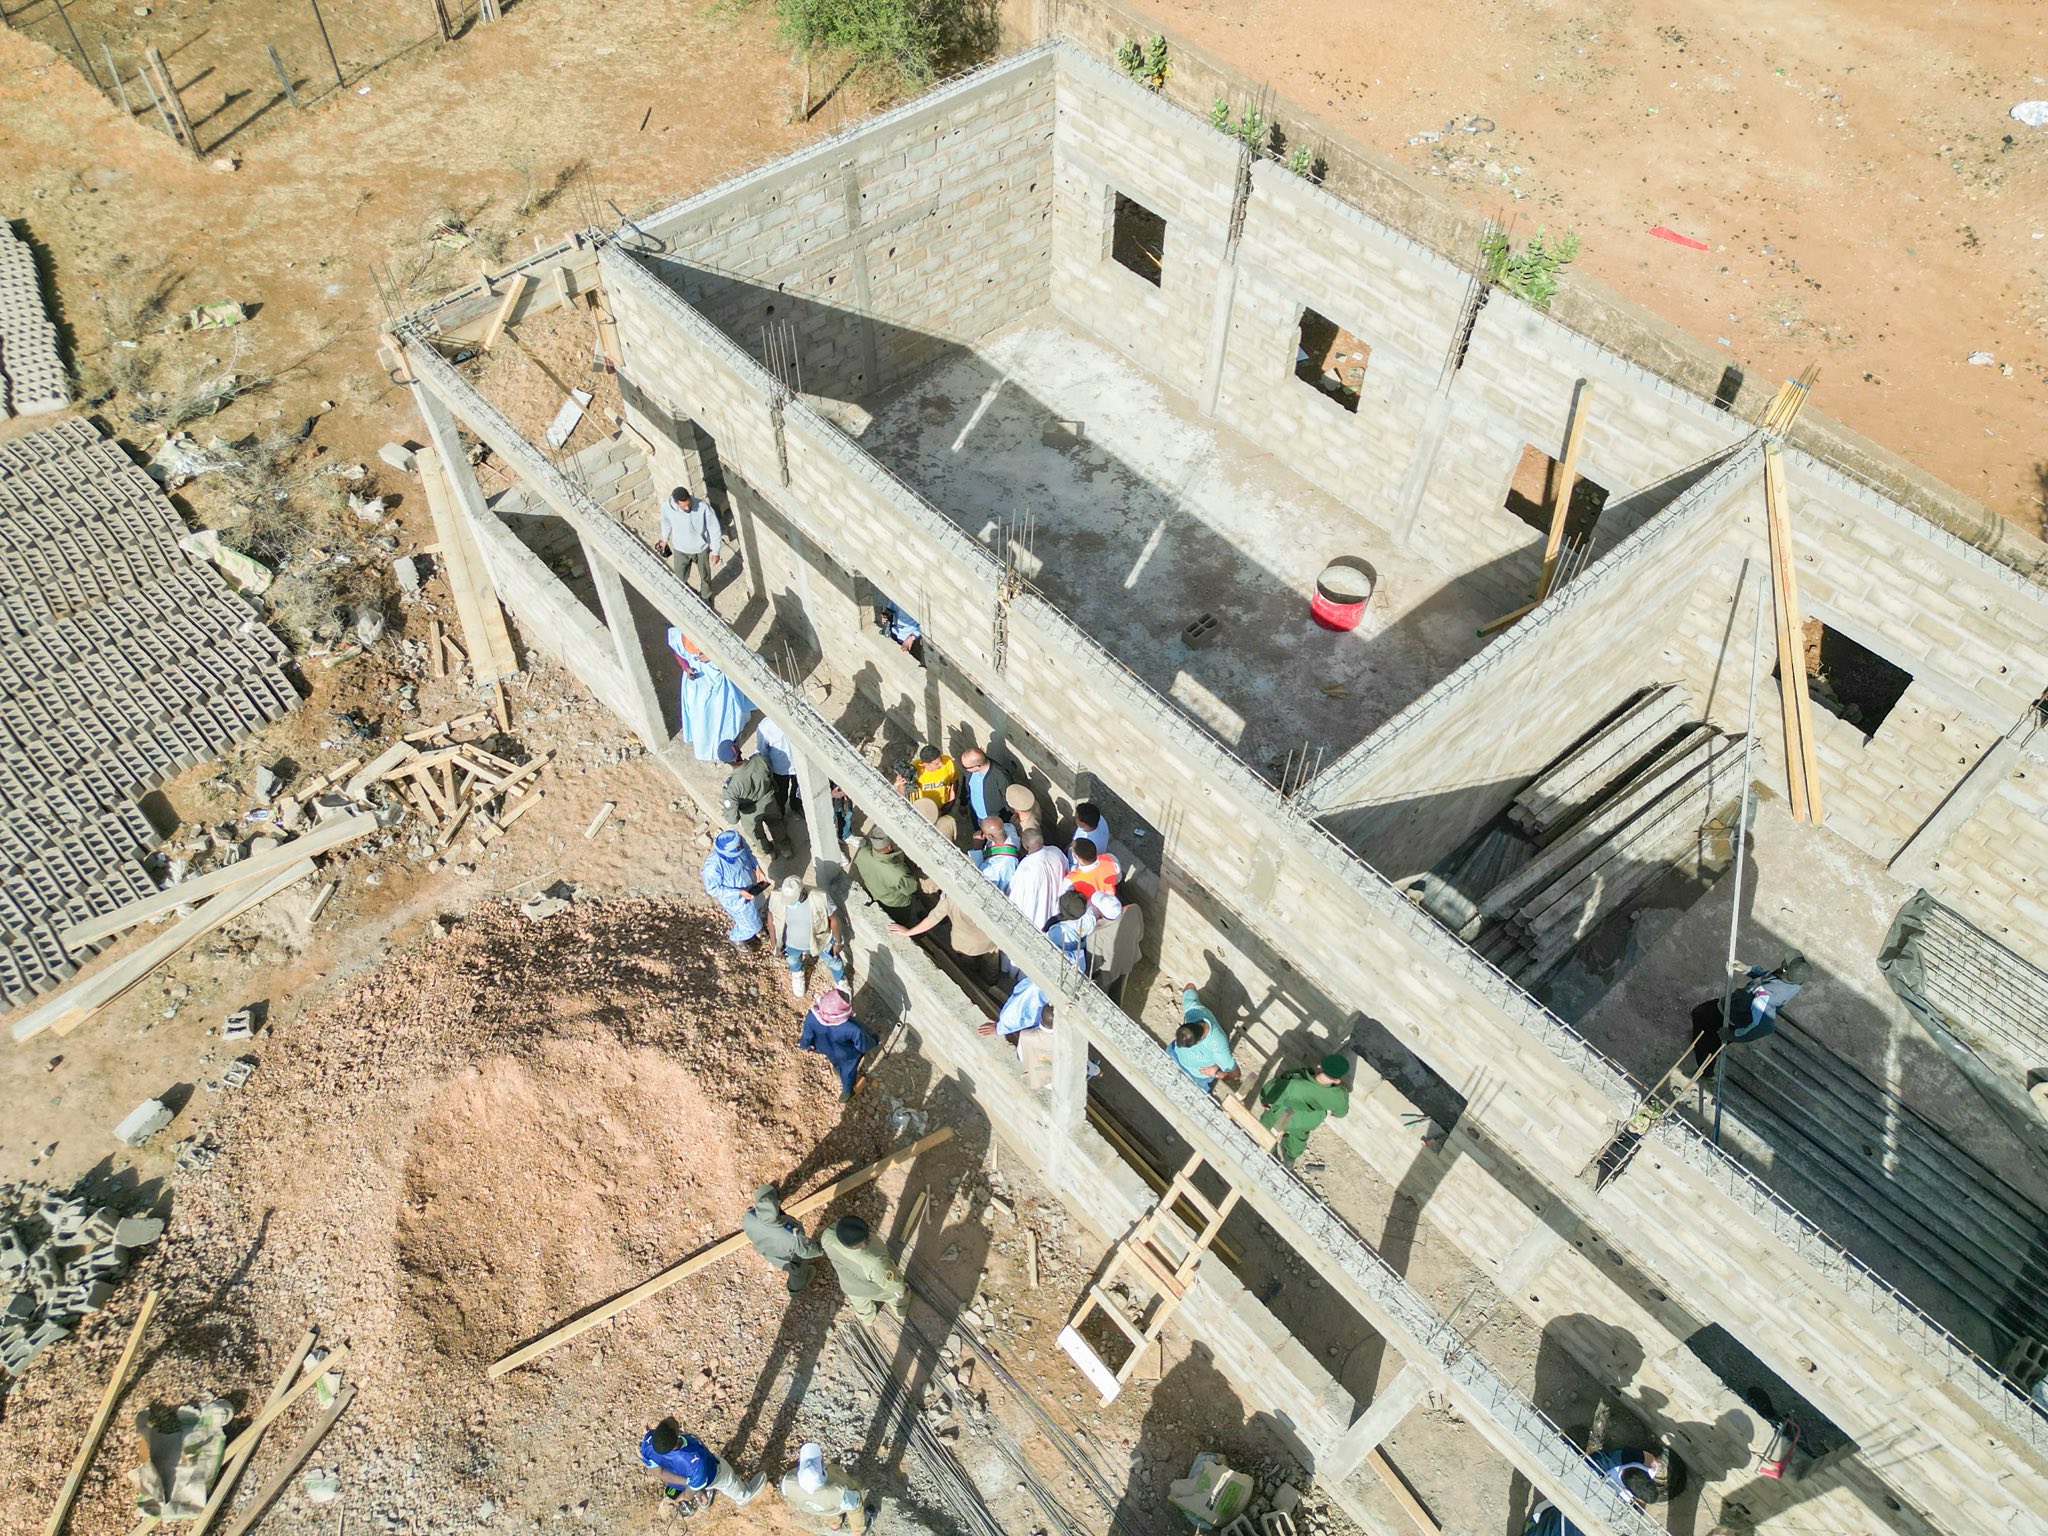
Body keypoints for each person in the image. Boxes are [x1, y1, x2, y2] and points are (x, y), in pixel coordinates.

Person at [1685, 952, 1810, 1071]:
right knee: (1705, 1027)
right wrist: (1747, 969)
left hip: (1729, 1018)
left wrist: (1733, 1034)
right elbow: (1767, 976)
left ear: (1785, 970)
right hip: (1734, 1005)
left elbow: (1764, 1027)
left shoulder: (1766, 995)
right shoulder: (1792, 981)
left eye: (1785, 962)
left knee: (1701, 1024)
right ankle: (1703, 1040)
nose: (1783, 961)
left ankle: (1706, 1072)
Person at [1522, 1446, 1680, 1536]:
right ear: (1634, 1497)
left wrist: (1650, 1462)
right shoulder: (1622, 1515)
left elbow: (1646, 1457)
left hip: (1549, 1522)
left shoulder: (1598, 1467)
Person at [669, 627, 753, 762]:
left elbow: (732, 653)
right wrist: (686, 667)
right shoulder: (681, 637)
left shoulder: (715, 637)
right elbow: (678, 654)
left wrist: (714, 656)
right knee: (701, 716)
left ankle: (729, 744)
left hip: (720, 689)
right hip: (698, 686)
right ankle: (711, 749)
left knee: (726, 714)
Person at [639, 1418, 763, 1510]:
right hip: (711, 1473)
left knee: (696, 1484)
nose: (671, 1418)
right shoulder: (694, 1459)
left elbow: (658, 1472)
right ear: (675, 1436)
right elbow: (689, 1491)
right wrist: (685, 1496)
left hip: (680, 1479)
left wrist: (687, 1482)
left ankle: (703, 1498)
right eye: (672, 1423)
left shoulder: (648, 1441)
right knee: (727, 1480)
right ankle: (744, 1497)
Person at [1258, 1053, 1351, 1164]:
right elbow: (1341, 1113)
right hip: (1307, 1121)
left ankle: (1270, 1154)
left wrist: (1265, 1101)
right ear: (1337, 1081)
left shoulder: (1293, 1081)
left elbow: (1268, 1093)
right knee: (1299, 1139)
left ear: (1319, 1066)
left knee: (1266, 1127)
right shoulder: (1339, 1095)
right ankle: (1290, 1159)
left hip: (1280, 1114)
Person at [891, 892, 999, 984]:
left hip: (965, 944)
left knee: (968, 961)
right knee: (992, 960)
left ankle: (972, 972)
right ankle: (991, 980)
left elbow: (933, 919)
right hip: (990, 940)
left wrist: (908, 932)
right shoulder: (989, 894)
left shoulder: (951, 898)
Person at [822, 1213, 908, 1320]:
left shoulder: (827, 1236)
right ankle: (901, 1311)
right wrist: (900, 1290)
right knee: (896, 1297)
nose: (869, 1238)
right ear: (858, 1246)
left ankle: (867, 1319)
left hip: (848, 1286)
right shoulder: (875, 1260)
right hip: (872, 1289)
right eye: (866, 1239)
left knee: (861, 1306)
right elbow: (891, 1284)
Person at [741, 1183, 822, 1294]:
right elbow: (806, 1251)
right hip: (787, 1257)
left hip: (765, 1250)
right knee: (797, 1270)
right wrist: (820, 1248)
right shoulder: (792, 1236)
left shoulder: (749, 1217)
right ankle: (795, 1288)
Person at [773, 876, 847, 997]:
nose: (789, 903)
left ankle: (840, 980)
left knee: (834, 962)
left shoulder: (820, 897)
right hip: (791, 943)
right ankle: (797, 973)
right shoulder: (777, 896)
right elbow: (771, 915)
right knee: (792, 960)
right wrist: (774, 942)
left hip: (820, 940)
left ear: (802, 892)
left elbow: (834, 919)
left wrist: (838, 942)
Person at [799, 987, 876, 1100]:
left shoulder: (812, 1016)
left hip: (823, 1047)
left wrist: (804, 1045)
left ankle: (837, 1069)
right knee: (848, 1071)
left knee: (834, 1059)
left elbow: (807, 1035)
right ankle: (847, 1091)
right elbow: (862, 1045)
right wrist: (874, 1041)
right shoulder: (852, 1028)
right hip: (845, 1054)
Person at [780, 1442, 870, 1533]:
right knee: (856, 1506)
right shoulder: (836, 1492)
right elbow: (853, 1503)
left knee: (825, 1513)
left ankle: (835, 1524)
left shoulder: (788, 1482)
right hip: (834, 1506)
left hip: (816, 1509)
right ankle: (857, 1531)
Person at [1170, 983, 1240, 1093]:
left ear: (1198, 1041)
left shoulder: (1217, 1045)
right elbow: (1190, 986)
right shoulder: (1192, 1012)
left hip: (1197, 1076)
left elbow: (1235, 1075)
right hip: (1173, 1054)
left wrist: (1216, 1073)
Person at [701, 829, 767, 944]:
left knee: (758, 908)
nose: (741, 846)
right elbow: (712, 889)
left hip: (752, 887)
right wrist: (739, 893)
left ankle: (756, 924)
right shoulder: (712, 867)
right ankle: (736, 938)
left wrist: (757, 868)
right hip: (739, 902)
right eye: (738, 847)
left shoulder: (738, 842)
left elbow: (747, 852)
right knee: (751, 927)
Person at [851, 830, 925, 925]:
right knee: (902, 922)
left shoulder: (862, 853)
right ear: (889, 846)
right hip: (897, 904)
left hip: (875, 894)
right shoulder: (898, 873)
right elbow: (910, 889)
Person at [657, 486, 720, 597]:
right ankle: (687, 594)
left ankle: (706, 596)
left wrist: (716, 551)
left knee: (705, 576)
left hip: (701, 549)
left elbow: (714, 528)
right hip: (680, 549)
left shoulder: (702, 507)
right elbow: (666, 523)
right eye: (683, 506)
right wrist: (664, 539)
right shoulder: (667, 507)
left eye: (689, 504)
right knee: (679, 577)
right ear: (676, 503)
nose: (687, 508)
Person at [720, 740, 782, 854]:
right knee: (777, 824)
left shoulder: (730, 787)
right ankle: (785, 848)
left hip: (750, 813)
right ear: (739, 751)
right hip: (769, 800)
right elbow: (771, 778)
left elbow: (732, 819)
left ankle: (768, 851)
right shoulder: (760, 760)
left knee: (757, 834)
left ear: (726, 762)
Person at [1008, 826, 1069, 930]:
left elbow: (1015, 897)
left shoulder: (1025, 868)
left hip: (1034, 918)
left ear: (1025, 846)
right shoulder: (1056, 851)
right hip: (1055, 913)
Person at [956, 747, 1011, 825]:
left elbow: (1007, 799)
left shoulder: (1000, 776)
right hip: (976, 815)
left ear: (977, 766)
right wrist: (963, 803)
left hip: (994, 820)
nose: (964, 769)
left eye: (966, 767)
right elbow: (966, 788)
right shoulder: (970, 771)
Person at [895, 744, 957, 810]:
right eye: (936, 763)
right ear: (924, 764)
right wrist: (901, 784)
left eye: (940, 759)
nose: (941, 764)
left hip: (943, 807)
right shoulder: (913, 770)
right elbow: (902, 793)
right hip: (922, 810)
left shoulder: (948, 762)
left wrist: (951, 802)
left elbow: (954, 781)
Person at [971, 816, 1021, 893]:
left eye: (983, 833)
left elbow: (978, 875)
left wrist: (977, 848)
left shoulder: (1000, 865)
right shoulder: (1009, 828)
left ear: (990, 836)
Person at [755, 715, 796, 808]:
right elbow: (762, 751)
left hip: (798, 767)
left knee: (798, 792)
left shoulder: (796, 718)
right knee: (780, 796)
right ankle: (780, 814)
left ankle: (796, 806)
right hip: (778, 770)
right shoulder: (765, 727)